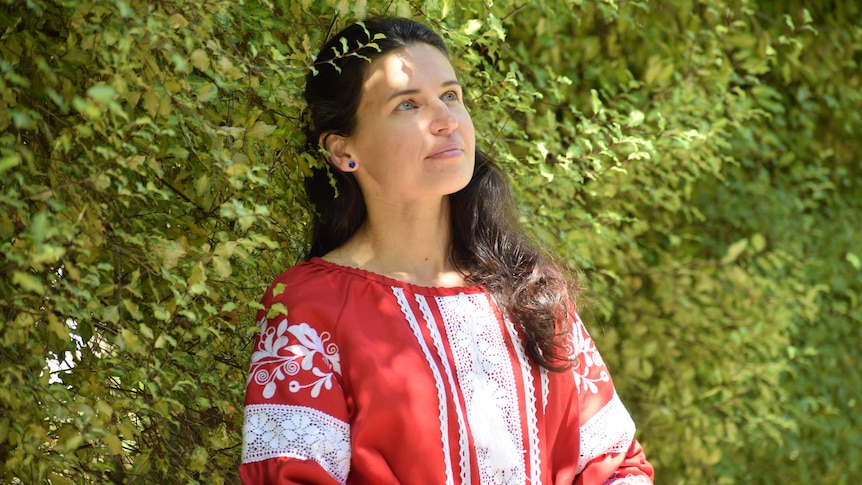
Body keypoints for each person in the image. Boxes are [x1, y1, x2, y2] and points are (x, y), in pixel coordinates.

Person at [240, 17, 654, 485]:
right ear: (342, 150)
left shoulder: (531, 289)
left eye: (451, 96)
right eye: (407, 105)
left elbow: (617, 464)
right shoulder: (308, 307)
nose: (445, 121)